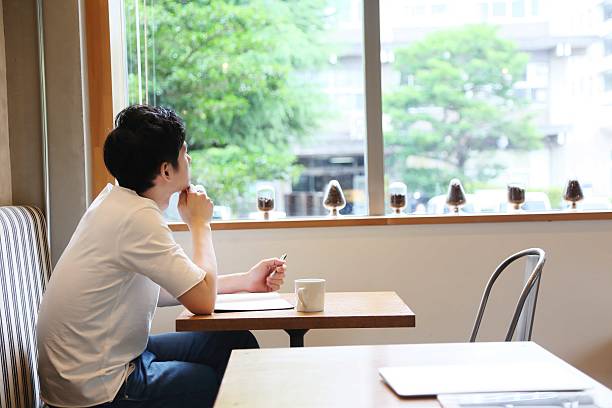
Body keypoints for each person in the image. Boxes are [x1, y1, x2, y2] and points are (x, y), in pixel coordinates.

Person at [37, 105, 287, 407]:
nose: (189, 158)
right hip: (98, 389)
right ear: (166, 170)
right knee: (211, 381)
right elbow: (202, 301)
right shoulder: (138, 217)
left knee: (236, 343)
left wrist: (246, 282)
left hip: (102, 366)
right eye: (184, 152)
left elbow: (170, 289)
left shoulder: (115, 202)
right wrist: (199, 224)